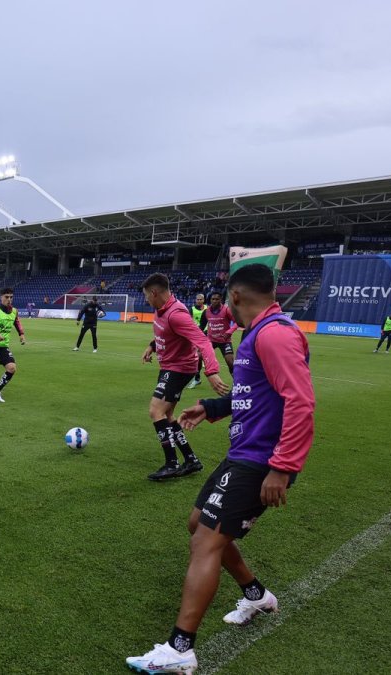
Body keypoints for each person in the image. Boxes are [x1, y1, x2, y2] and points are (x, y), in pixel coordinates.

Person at [125, 263, 315, 675]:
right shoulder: (260, 333)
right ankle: (255, 594)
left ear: (234, 297)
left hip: (260, 460)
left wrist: (281, 468)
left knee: (205, 542)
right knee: (199, 524)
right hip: (244, 453)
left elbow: (300, 401)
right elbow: (252, 394)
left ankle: (180, 649)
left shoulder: (276, 334)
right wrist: (210, 408)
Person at [141, 274, 228, 481]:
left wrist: (212, 372)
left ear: (154, 293)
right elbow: (164, 332)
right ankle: (190, 459)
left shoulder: (177, 314)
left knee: (155, 411)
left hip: (179, 368)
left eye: (146, 296)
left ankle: (172, 463)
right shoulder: (162, 309)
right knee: (167, 415)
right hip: (169, 366)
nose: (146, 300)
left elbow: (204, 342)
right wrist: (152, 346)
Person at [204, 292, 238, 372]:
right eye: (213, 299)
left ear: (221, 300)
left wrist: (229, 332)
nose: (214, 301)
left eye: (217, 299)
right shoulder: (206, 311)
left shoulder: (226, 310)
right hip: (211, 340)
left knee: (230, 362)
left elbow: (237, 322)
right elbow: (203, 325)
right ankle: (197, 378)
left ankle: (235, 381)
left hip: (225, 341)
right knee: (198, 356)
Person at [189, 293, 208, 388]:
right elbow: (188, 320)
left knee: (198, 353)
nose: (199, 301)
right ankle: (197, 377)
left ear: (203, 300)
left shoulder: (207, 309)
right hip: (195, 333)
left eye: (201, 299)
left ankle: (197, 378)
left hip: (206, 332)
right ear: (195, 300)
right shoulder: (192, 309)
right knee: (196, 353)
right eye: (198, 299)